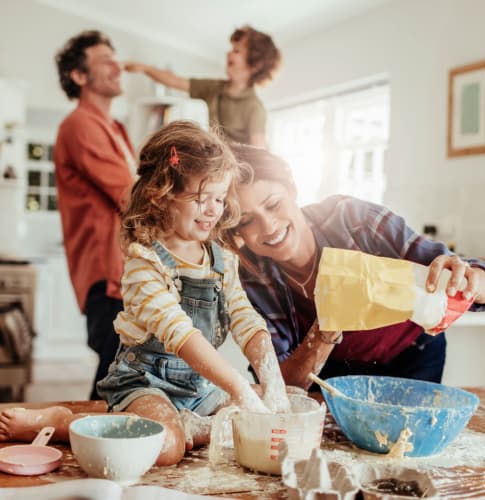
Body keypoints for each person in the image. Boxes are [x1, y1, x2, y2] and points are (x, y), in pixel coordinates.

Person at [0, 122, 290, 467]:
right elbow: (181, 335)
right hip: (146, 385)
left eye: (219, 198)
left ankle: (191, 428)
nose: (213, 209)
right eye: (200, 199)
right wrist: (239, 388)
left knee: (273, 404)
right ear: (161, 193)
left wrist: (271, 380)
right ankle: (65, 423)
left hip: (198, 389)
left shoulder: (222, 260)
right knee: (167, 448)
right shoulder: (145, 264)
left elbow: (244, 316)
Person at [223, 144, 485, 390]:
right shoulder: (250, 278)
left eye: (273, 204)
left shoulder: (355, 221)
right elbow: (280, 384)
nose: (268, 226)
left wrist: (468, 279)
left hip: (411, 358)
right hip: (330, 374)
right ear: (237, 231)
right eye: (247, 221)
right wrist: (326, 327)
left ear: (293, 190)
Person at [54, 30, 136, 399]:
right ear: (80, 76)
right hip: (108, 275)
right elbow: (130, 195)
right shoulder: (80, 125)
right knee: (113, 382)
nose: (116, 65)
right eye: (105, 60)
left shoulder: (114, 128)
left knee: (119, 377)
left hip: (122, 270)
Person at [124, 25, 281, 147]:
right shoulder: (214, 88)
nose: (229, 53)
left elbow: (258, 151)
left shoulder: (254, 108)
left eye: (236, 51)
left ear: (255, 65)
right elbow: (175, 81)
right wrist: (145, 69)